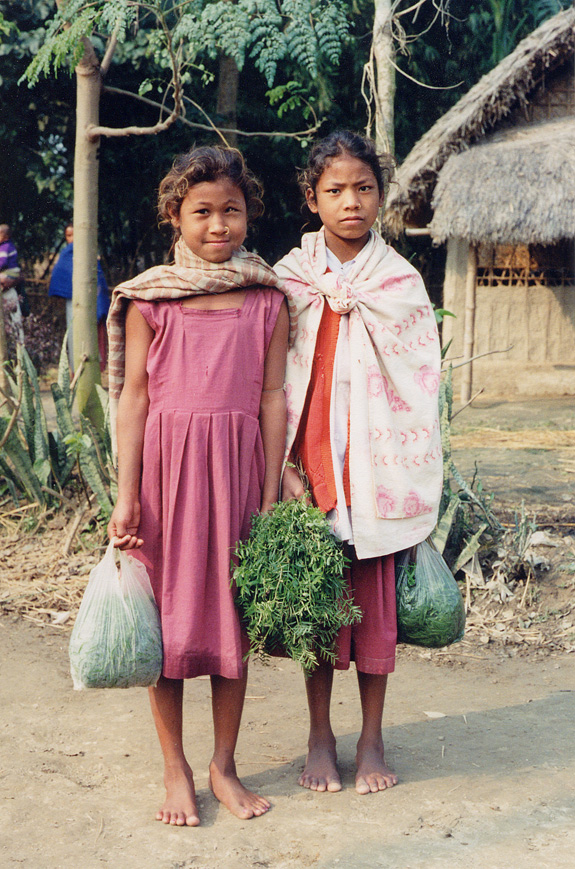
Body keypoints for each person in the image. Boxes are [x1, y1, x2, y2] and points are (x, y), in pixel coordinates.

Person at [106, 146, 294, 827]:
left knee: (228, 616)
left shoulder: (267, 295)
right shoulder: (150, 296)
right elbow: (132, 398)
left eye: (231, 211)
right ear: (174, 217)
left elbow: (272, 396)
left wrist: (270, 490)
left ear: (250, 215)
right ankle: (175, 768)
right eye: (202, 212)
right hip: (165, 475)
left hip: (237, 473)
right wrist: (127, 492)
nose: (218, 225)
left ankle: (223, 763)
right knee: (169, 620)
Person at [275, 131, 443, 796]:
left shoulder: (399, 282)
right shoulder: (287, 279)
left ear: (380, 195)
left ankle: (371, 736)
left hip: (375, 475)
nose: (351, 201)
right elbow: (271, 379)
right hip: (309, 471)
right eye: (335, 190)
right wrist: (282, 462)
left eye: (363, 188)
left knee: (373, 615)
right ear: (311, 196)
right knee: (318, 610)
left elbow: (419, 380)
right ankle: (319, 732)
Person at [49, 224, 110, 371]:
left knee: (91, 335)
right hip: (73, 301)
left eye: (74, 235)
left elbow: (98, 280)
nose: (71, 239)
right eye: (68, 236)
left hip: (92, 303)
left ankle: (92, 371)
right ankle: (74, 370)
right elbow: (60, 275)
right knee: (73, 334)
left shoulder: (89, 251)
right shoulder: (67, 253)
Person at [0, 223, 25, 345]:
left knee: (14, 322)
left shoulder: (5, 248)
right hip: (9, 279)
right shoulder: (7, 246)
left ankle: (20, 348)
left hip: (9, 279)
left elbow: (3, 263)